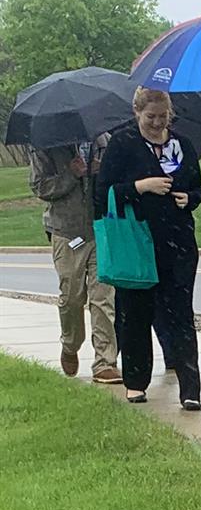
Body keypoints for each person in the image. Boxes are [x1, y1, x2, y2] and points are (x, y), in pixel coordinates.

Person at [94, 89, 201, 408]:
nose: (157, 123)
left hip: (179, 241)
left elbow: (196, 185)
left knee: (181, 315)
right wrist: (140, 187)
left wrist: (190, 198)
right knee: (136, 313)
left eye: (163, 117)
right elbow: (103, 194)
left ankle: (190, 388)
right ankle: (136, 381)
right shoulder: (123, 143)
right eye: (150, 117)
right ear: (137, 112)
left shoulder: (182, 144)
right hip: (137, 241)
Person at [29, 140, 120, 383]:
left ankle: (105, 361)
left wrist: (105, 171)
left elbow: (122, 180)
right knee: (71, 297)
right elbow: (40, 187)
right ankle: (70, 345)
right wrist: (71, 173)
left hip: (102, 228)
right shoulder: (45, 145)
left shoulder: (105, 141)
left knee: (103, 297)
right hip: (67, 231)